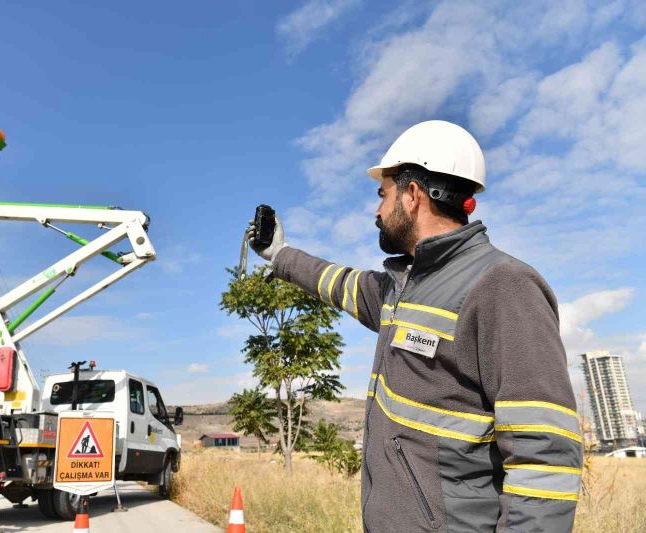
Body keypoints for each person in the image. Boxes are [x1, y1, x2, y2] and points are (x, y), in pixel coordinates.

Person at [249, 120, 581, 533]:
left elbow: (544, 456)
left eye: (382, 195)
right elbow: (337, 282)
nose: (376, 211)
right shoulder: (400, 290)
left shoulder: (502, 285)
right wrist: (278, 253)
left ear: (412, 195)